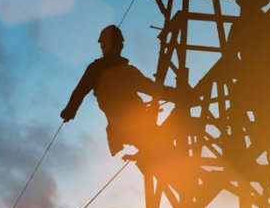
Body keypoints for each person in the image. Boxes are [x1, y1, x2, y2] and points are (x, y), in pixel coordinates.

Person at [60, 25, 181, 158]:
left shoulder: (114, 70)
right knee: (164, 150)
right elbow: (152, 89)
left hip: (132, 126)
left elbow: (152, 89)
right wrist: (70, 110)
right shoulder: (110, 70)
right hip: (134, 126)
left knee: (164, 151)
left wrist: (70, 110)